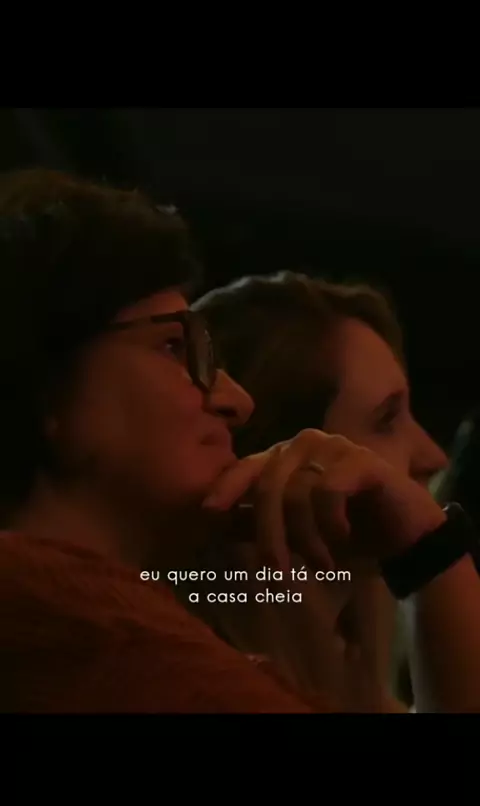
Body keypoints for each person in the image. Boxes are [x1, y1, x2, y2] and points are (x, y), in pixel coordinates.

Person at [1, 171, 479, 713]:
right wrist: (432, 555)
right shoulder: (107, 653)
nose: (237, 402)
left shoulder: (127, 646)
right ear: (45, 385)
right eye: (173, 347)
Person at [192, 272, 448, 709]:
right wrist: (439, 555)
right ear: (282, 463)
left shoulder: (361, 666)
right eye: (386, 420)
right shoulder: (212, 687)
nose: (434, 456)